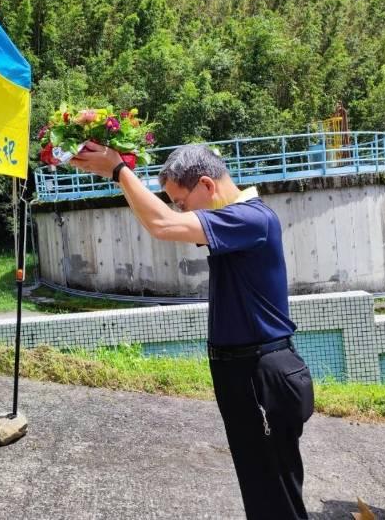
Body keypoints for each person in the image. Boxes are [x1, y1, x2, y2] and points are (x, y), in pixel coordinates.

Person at [71, 143, 314, 519]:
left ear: (206, 184)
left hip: (260, 372)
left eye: (181, 201)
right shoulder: (236, 221)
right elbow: (158, 221)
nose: (180, 211)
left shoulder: (250, 219)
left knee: (275, 492)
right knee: (260, 484)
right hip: (244, 371)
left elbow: (161, 224)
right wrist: (115, 175)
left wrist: (120, 170)